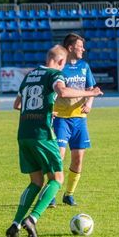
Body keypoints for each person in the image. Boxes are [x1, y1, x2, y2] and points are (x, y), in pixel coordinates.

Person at [6, 45, 103, 237]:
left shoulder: (30, 75)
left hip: (24, 134)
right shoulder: (54, 75)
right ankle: (32, 219)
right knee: (57, 179)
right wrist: (90, 93)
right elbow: (63, 91)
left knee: (35, 182)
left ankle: (15, 224)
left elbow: (17, 104)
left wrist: (46, 111)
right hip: (42, 135)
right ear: (60, 62)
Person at [51, 33, 97, 207]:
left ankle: (69, 194)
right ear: (70, 48)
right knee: (59, 157)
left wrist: (89, 104)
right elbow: (52, 91)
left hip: (79, 119)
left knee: (78, 158)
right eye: (80, 47)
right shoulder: (59, 67)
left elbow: (91, 88)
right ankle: (51, 193)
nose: (83, 50)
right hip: (61, 119)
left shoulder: (84, 66)